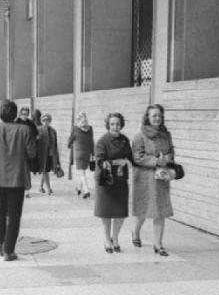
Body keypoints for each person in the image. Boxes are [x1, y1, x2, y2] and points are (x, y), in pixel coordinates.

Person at [0, 99, 36, 261]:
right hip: (17, 178)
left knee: (0, 210)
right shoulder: (25, 130)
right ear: (15, 113)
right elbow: (32, 153)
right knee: (14, 215)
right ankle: (9, 250)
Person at [131, 104, 175, 256]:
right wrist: (156, 161)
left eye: (159, 115)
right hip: (144, 179)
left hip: (161, 178)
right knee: (143, 211)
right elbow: (137, 157)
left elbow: (171, 152)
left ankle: (158, 244)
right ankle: (135, 232)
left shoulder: (166, 135)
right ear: (148, 117)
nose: (157, 118)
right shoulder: (139, 136)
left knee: (160, 212)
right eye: (154, 115)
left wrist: (167, 159)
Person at [94, 113, 133, 253]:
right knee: (106, 212)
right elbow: (99, 161)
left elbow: (130, 157)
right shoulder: (102, 142)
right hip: (106, 181)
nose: (115, 127)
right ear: (108, 125)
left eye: (117, 124)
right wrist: (117, 162)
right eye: (112, 124)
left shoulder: (125, 140)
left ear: (121, 125)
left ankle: (115, 238)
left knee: (120, 212)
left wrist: (129, 161)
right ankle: (106, 239)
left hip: (121, 180)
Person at [68, 111, 95, 199]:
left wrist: (69, 144)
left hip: (78, 153)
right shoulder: (90, 128)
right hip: (87, 153)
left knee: (82, 172)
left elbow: (70, 140)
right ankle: (79, 188)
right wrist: (93, 153)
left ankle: (86, 190)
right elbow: (91, 142)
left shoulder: (75, 128)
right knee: (82, 171)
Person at [15, 106, 39, 198]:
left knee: (27, 171)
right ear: (20, 114)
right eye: (23, 114)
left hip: (27, 151)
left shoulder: (31, 123)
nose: (25, 116)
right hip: (17, 150)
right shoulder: (16, 123)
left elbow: (37, 136)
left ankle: (27, 191)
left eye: (26, 114)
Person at [37, 113, 60, 195]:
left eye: (47, 120)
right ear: (41, 121)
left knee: (46, 170)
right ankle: (49, 189)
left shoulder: (53, 131)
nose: (45, 122)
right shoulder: (38, 130)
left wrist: (57, 157)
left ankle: (40, 187)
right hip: (42, 154)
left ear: (50, 121)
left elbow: (56, 144)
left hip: (51, 154)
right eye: (44, 120)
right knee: (45, 170)